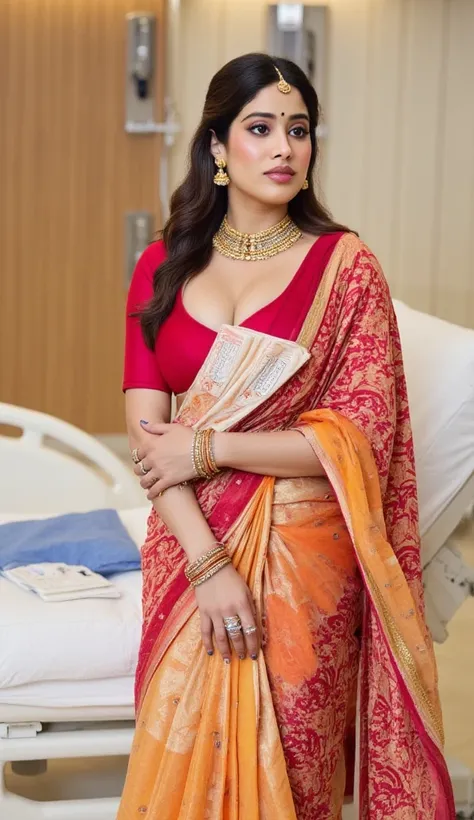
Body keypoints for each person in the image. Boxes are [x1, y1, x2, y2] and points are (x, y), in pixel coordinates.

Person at [118, 53, 454, 820]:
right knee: (184, 754)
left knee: (294, 771)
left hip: (305, 561)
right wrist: (207, 567)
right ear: (216, 147)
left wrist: (210, 448)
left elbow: (359, 440)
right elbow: (148, 439)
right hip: (186, 548)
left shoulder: (346, 266)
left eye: (298, 130)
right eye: (259, 128)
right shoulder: (160, 267)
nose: (282, 148)